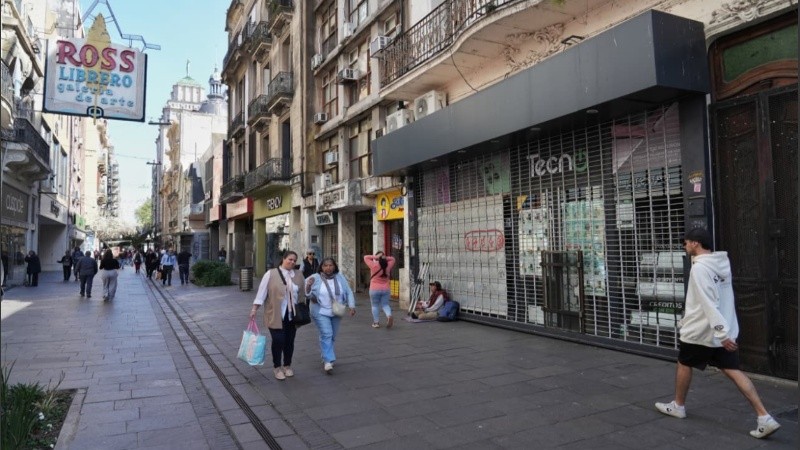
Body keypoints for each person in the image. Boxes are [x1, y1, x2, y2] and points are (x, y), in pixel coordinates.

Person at [655, 228, 780, 439]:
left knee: (684, 363)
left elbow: (708, 302)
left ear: (695, 243)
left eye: (686, 243)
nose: (684, 247)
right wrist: (725, 331)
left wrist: (721, 333)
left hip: (701, 330)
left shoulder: (700, 269)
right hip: (723, 329)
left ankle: (678, 405)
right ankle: (764, 417)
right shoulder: (721, 264)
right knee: (732, 370)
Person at [249, 251, 305, 381]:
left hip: (292, 315)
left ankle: (287, 365)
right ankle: (277, 367)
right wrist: (254, 309)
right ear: (283, 259)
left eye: (294, 260)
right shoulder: (271, 274)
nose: (292, 262)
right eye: (289, 259)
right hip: (275, 314)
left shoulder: (298, 274)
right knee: (279, 340)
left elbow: (302, 293)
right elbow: (262, 293)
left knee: (289, 341)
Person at [305, 257, 356, 374]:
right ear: (321, 267)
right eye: (325, 265)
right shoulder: (315, 278)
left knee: (331, 335)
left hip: (336, 311)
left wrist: (352, 306)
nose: (328, 268)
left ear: (334, 266)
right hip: (320, 311)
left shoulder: (340, 277)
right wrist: (308, 287)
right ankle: (328, 360)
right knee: (327, 334)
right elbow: (306, 293)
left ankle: (325, 354)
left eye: (330, 265)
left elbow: (348, 291)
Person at [364, 251, 396, 328]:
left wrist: (376, 257)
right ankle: (389, 316)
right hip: (386, 289)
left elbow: (366, 257)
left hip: (374, 289)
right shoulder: (388, 265)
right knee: (385, 305)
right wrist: (384, 257)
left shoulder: (374, 265)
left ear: (377, 258)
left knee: (374, 305)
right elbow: (393, 259)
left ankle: (376, 323)